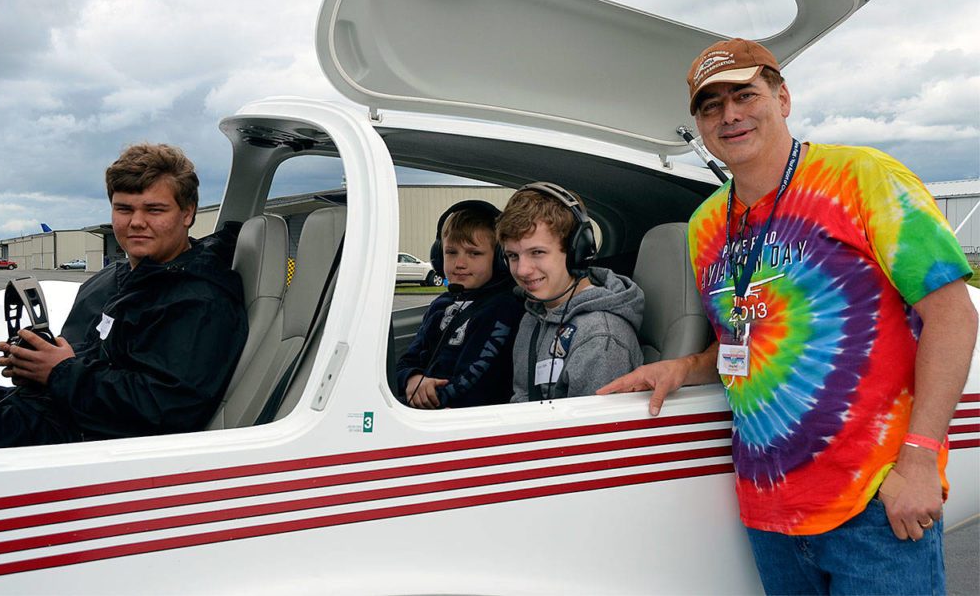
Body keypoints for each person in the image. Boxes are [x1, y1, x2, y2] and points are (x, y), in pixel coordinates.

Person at [599, 38, 976, 594]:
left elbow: (953, 316)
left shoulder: (862, 178)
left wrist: (919, 461)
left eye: (744, 95)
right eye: (710, 105)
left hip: (873, 501)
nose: (729, 114)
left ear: (782, 98)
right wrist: (683, 367)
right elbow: (748, 341)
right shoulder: (707, 224)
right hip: (768, 510)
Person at [0, 143, 248, 448]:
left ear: (187, 214)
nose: (136, 222)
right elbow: (85, 363)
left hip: (79, 445)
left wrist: (59, 371)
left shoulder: (200, 301)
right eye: (124, 209)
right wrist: (34, 366)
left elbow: (165, 409)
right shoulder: (110, 280)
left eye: (154, 210)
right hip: (43, 411)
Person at [497, 182, 643, 402]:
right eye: (513, 256)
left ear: (578, 251)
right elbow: (522, 402)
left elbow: (591, 433)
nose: (522, 270)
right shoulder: (533, 317)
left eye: (537, 252)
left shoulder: (600, 338)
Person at [396, 201, 523, 409]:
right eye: (451, 252)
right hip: (425, 407)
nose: (460, 263)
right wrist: (412, 380)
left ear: (500, 259)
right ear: (438, 256)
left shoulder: (503, 308)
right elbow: (408, 360)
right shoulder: (441, 304)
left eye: (474, 253)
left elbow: (476, 379)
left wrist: (429, 398)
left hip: (463, 414)